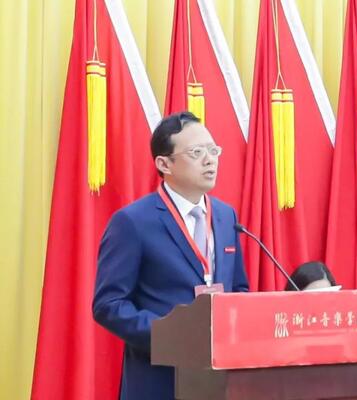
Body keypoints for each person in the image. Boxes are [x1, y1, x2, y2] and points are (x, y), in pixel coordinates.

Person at [93, 112, 248, 400]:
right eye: (196, 152)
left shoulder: (226, 216)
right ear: (164, 164)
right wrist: (170, 337)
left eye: (213, 150)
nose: (210, 160)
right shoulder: (133, 222)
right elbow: (108, 305)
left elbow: (238, 289)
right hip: (158, 380)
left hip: (219, 381)